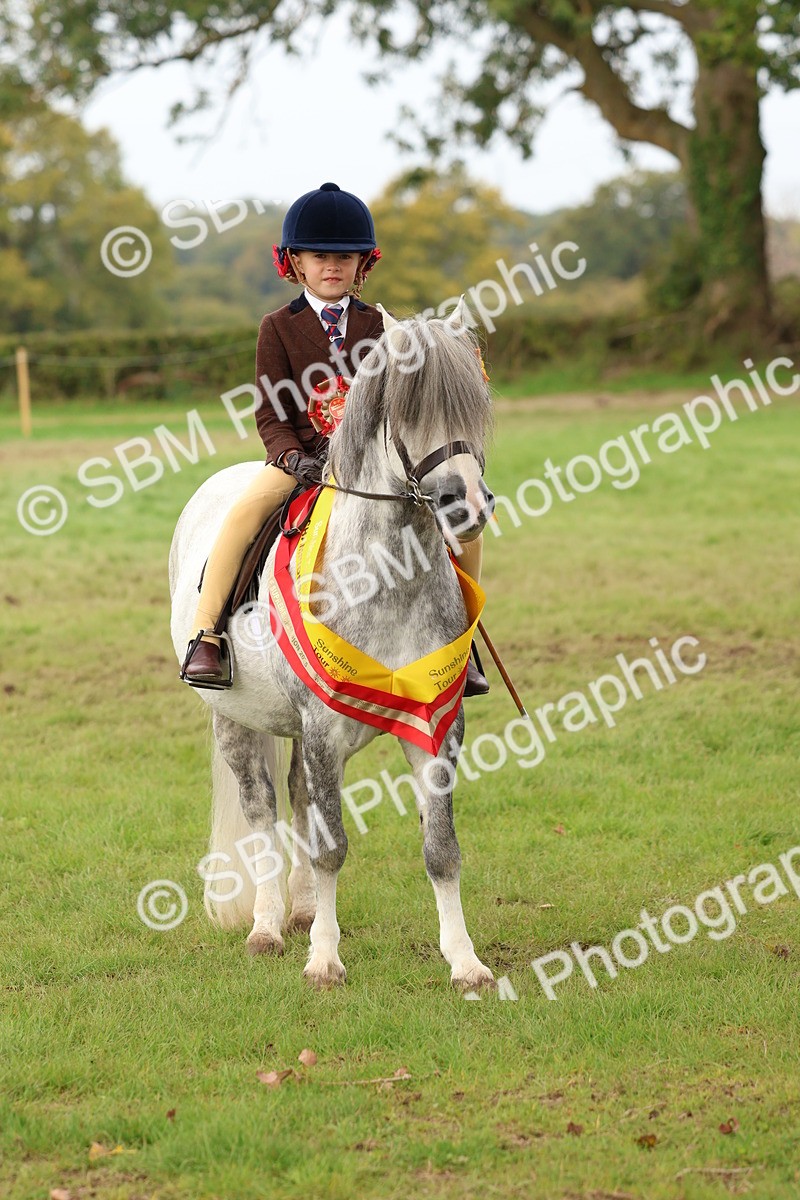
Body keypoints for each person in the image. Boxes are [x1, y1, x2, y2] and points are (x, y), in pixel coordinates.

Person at [181, 180, 489, 695]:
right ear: (296, 263)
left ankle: (462, 640)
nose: (332, 266)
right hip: (300, 462)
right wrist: (290, 458)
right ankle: (208, 633)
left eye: (345, 257)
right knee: (244, 515)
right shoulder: (277, 327)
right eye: (320, 256)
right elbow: (271, 413)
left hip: (374, 466)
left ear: (362, 264)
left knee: (466, 523)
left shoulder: (383, 327)